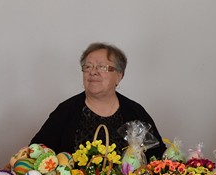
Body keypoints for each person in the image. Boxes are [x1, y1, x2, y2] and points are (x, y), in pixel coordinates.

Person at [31, 42, 165, 160]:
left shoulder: (135, 112)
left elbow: (158, 158)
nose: (93, 72)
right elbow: (36, 152)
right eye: (88, 67)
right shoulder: (66, 110)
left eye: (102, 67)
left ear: (119, 76)